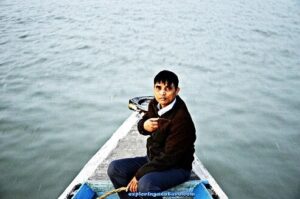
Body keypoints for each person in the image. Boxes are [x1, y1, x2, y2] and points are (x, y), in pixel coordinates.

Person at [107, 70, 196, 198]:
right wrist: (144, 126)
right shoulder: (155, 104)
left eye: (168, 88)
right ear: (154, 89)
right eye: (158, 88)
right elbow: (142, 125)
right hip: (153, 159)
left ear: (177, 91)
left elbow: (169, 158)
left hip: (177, 167)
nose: (162, 93)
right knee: (115, 168)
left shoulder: (181, 119)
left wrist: (139, 175)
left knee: (145, 184)